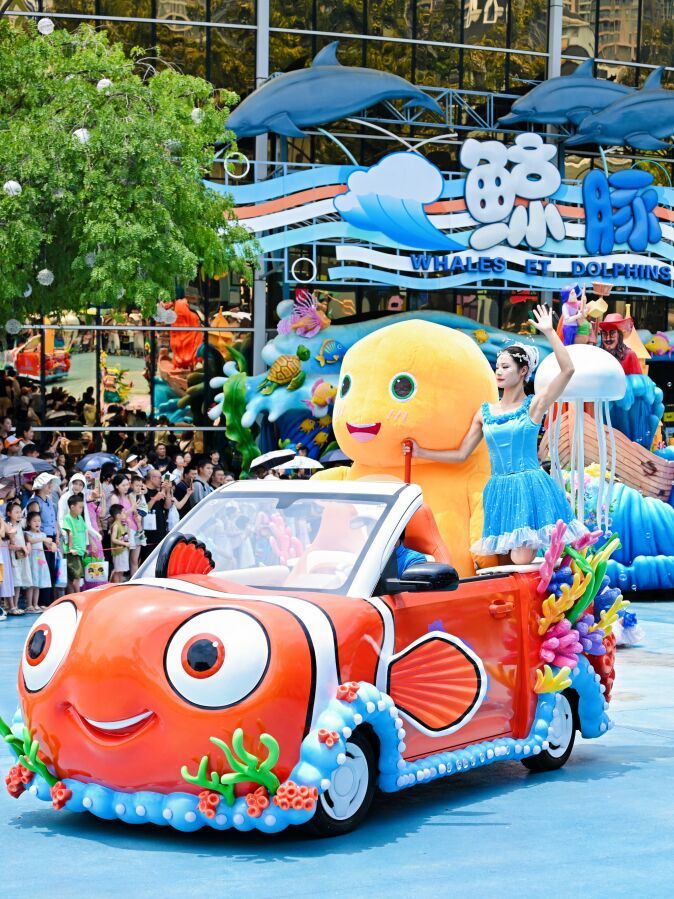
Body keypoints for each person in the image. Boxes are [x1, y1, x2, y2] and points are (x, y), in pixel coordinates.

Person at [409, 305, 585, 565]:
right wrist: (420, 452)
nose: (499, 372)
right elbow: (461, 454)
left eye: (505, 367)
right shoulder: (485, 413)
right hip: (498, 490)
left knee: (520, 557)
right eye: (497, 367)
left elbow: (568, 370)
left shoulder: (534, 406)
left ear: (523, 371)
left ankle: (554, 560)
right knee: (502, 561)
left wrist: (549, 332)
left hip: (528, 487)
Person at [30, 472, 59, 606]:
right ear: (41, 486)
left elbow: (54, 520)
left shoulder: (49, 500)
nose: (50, 486)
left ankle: (49, 599)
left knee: (51, 568)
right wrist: (45, 540)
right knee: (43, 569)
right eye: (48, 484)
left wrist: (56, 536)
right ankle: (42, 601)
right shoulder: (35, 502)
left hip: (51, 537)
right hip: (41, 539)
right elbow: (34, 524)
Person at [141, 469, 173, 561]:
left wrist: (168, 491)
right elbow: (142, 511)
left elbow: (167, 506)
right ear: (152, 478)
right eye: (159, 478)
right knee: (147, 559)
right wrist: (155, 499)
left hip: (160, 530)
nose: (161, 480)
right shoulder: (143, 491)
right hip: (148, 533)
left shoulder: (158, 492)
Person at [25, 511, 54, 612]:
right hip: (32, 561)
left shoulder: (43, 534)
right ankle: (29, 605)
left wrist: (52, 545)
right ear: (29, 523)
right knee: (31, 583)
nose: (37, 523)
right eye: (34, 521)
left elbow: (48, 546)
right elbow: (31, 541)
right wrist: (43, 539)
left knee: (38, 584)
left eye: (39, 521)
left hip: (40, 561)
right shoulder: (28, 533)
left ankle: (35, 604)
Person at [61, 493, 88, 594]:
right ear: (72, 507)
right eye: (80, 507)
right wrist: (70, 548)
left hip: (80, 551)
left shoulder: (80, 518)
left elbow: (84, 532)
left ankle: (73, 595)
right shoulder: (68, 518)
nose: (81, 509)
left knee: (76, 576)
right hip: (72, 552)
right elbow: (70, 533)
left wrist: (84, 548)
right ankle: (78, 595)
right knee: (76, 576)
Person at [7, 501, 31, 613]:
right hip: (12, 557)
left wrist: (27, 546)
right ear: (9, 513)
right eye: (16, 512)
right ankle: (10, 606)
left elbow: (25, 539)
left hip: (21, 556)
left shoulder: (20, 525)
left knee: (18, 582)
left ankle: (15, 606)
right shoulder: (8, 526)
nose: (19, 514)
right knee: (13, 581)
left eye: (20, 512)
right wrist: (21, 547)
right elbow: (8, 545)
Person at [109, 503, 130, 584]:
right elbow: (113, 539)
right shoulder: (116, 525)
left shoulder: (122, 524)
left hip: (123, 550)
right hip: (118, 552)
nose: (125, 514)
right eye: (123, 512)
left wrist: (128, 525)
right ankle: (116, 585)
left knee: (122, 570)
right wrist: (124, 544)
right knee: (118, 570)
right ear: (118, 515)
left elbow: (127, 536)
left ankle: (120, 583)